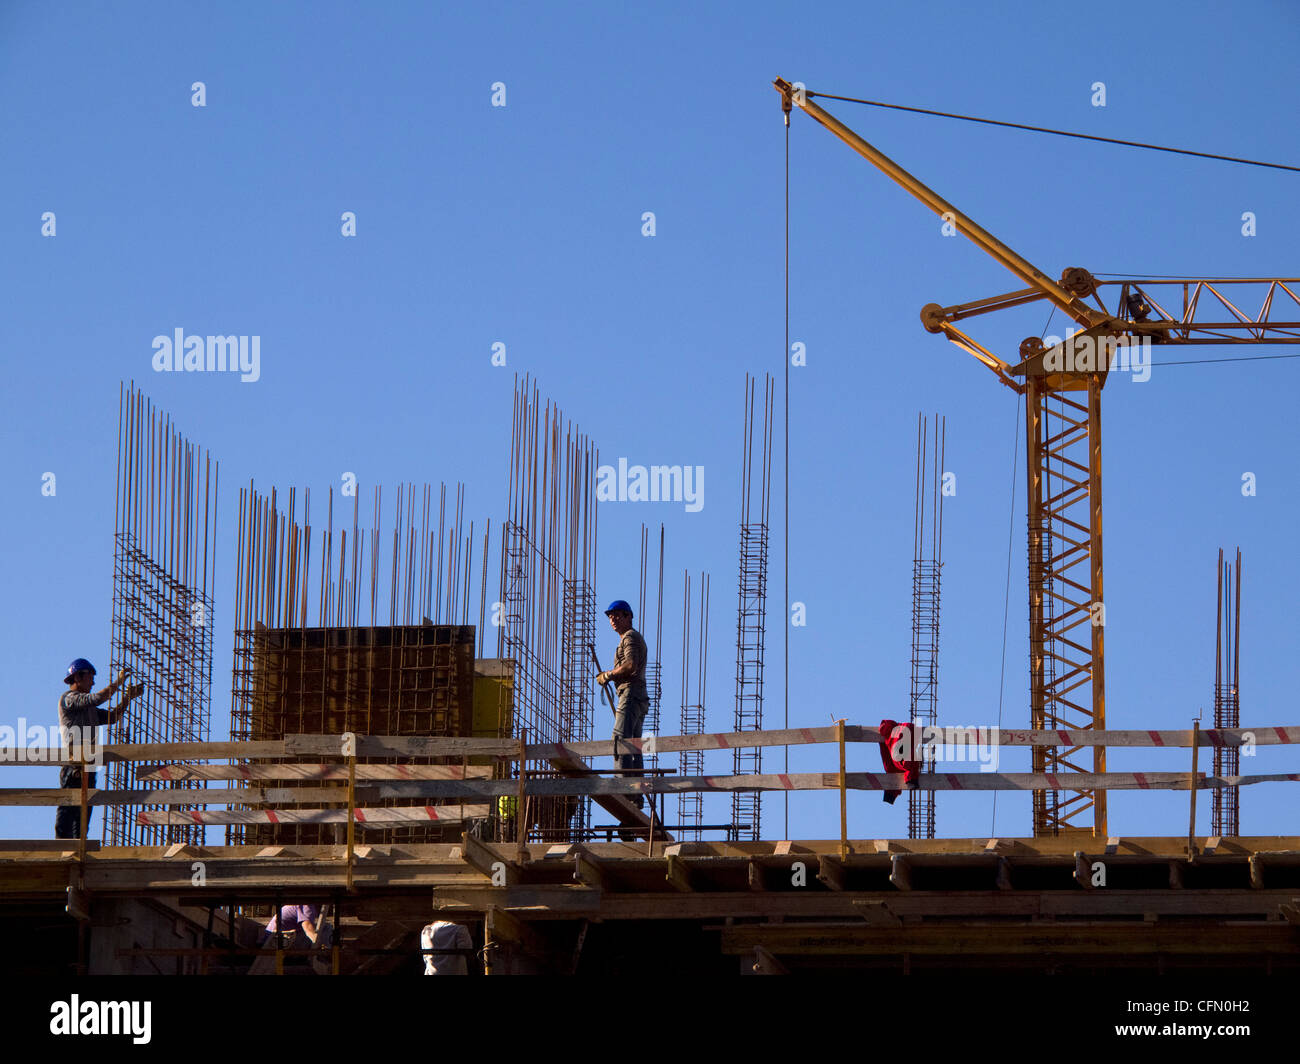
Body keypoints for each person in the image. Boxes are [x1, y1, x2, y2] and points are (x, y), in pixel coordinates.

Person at [55, 658, 144, 840]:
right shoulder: (69, 699)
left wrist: (128, 698)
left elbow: (112, 717)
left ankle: (78, 848)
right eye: (90, 677)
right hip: (74, 767)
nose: (93, 682)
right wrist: (119, 683)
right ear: (78, 677)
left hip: (89, 767)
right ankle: (61, 849)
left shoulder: (88, 709)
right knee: (68, 814)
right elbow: (97, 698)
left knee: (83, 817)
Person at [595, 600, 649, 810]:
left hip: (631, 693)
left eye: (618, 615)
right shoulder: (627, 639)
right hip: (635, 695)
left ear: (628, 616)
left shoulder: (630, 637)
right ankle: (635, 793)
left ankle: (625, 790)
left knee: (620, 741)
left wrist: (608, 675)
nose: (613, 620)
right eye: (610, 616)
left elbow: (629, 665)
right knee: (635, 746)